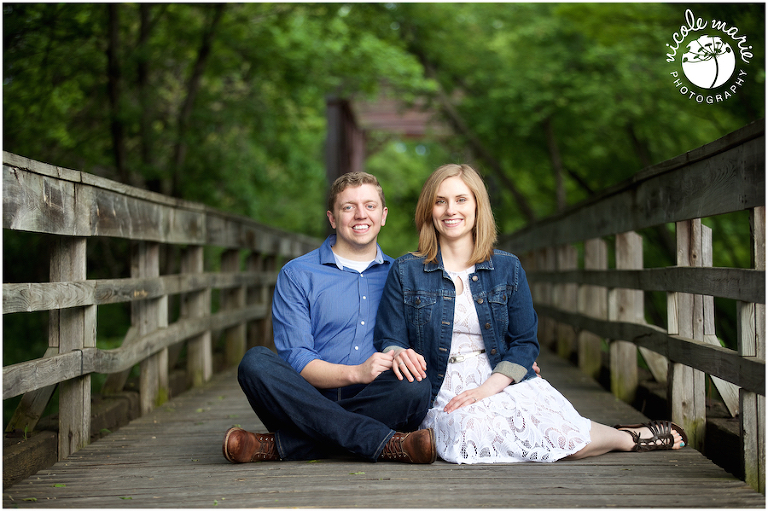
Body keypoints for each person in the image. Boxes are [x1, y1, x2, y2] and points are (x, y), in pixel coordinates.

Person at [373, 163, 687, 464]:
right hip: (440, 384)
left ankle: (628, 438)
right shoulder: (406, 270)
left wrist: (487, 389)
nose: (450, 210)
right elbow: (389, 337)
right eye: (440, 201)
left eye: (461, 200)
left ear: (478, 207)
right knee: (466, 434)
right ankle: (606, 435)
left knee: (563, 439)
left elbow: (524, 342)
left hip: (497, 375)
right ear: (429, 209)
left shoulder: (507, 267)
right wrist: (398, 352)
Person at [222, 172, 437, 464]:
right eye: (348, 207)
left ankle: (279, 446)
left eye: (370, 206)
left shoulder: (402, 275)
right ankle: (383, 442)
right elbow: (297, 357)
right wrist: (356, 373)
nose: (361, 215)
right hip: (307, 398)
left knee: (416, 385)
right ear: (333, 218)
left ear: (383, 215)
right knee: (255, 363)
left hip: (377, 396)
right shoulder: (297, 274)